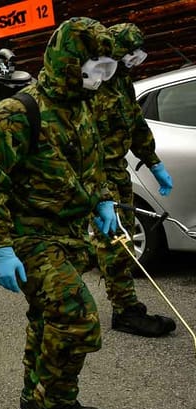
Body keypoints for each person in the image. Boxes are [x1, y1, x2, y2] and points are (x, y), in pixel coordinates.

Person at [0, 17, 118, 409]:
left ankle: (34, 400)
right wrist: (1, 247)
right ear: (70, 62)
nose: (100, 77)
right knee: (76, 318)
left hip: (68, 233)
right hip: (29, 237)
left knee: (46, 318)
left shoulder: (80, 106)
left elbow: (91, 162)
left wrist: (103, 199)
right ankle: (56, 405)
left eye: (107, 69)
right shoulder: (15, 113)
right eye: (95, 67)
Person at [90, 23, 175, 337]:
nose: (134, 62)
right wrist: (99, 192)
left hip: (117, 171)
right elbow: (81, 142)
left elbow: (136, 124)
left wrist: (153, 162)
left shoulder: (122, 82)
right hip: (95, 174)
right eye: (129, 55)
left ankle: (121, 305)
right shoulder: (92, 86)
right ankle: (126, 311)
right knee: (115, 241)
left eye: (138, 55)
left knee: (116, 239)